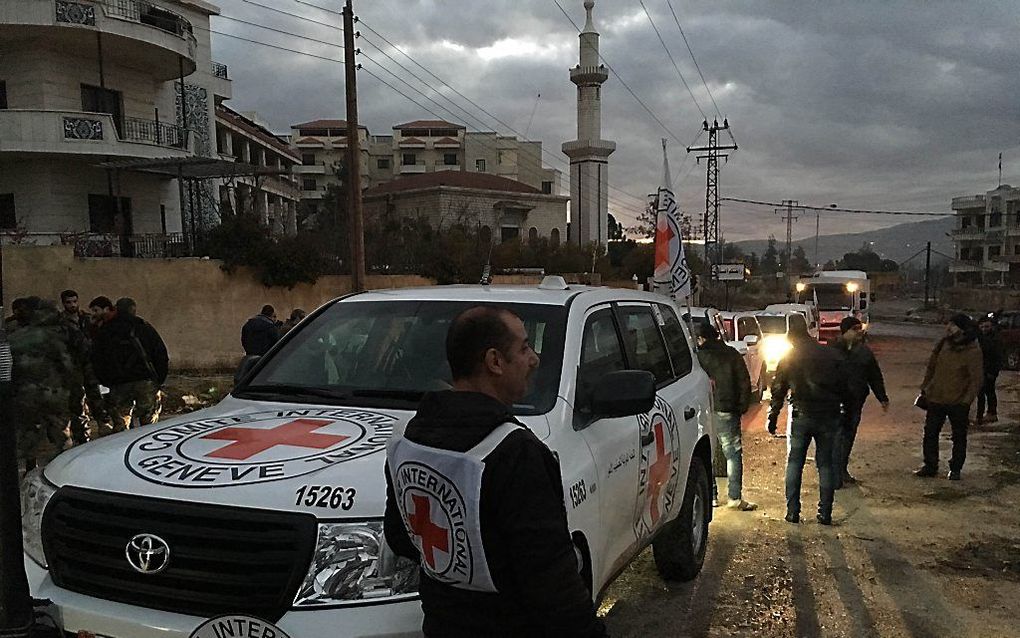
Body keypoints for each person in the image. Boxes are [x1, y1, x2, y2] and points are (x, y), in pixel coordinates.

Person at [384, 306, 606, 638]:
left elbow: (400, 536)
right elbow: (552, 584)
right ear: (495, 362)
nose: (534, 359)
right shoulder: (515, 453)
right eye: (525, 348)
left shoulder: (407, 438)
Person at [767, 321, 848, 525]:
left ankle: (793, 511)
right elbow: (845, 386)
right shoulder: (829, 355)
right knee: (825, 464)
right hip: (828, 415)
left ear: (791, 337)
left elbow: (778, 389)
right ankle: (825, 513)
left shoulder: (789, 358)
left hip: (802, 415)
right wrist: (843, 410)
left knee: (795, 462)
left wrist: (773, 415)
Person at [9, 298, 83, 471]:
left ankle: (29, 469)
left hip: (25, 395)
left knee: (28, 436)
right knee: (62, 436)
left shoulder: (15, 337)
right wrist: (76, 394)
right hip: (54, 394)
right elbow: (68, 367)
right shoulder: (57, 335)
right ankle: (63, 471)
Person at [695, 323, 757, 511]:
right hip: (727, 409)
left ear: (702, 339)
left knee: (709, 454)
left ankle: (712, 496)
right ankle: (734, 497)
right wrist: (742, 407)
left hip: (704, 410)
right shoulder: (731, 354)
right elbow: (744, 381)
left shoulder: (698, 357)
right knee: (732, 453)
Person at [915, 314, 983, 481]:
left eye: (952, 325)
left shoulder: (972, 350)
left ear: (961, 328)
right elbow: (932, 366)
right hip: (936, 398)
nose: (948, 328)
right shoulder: (944, 344)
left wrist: (966, 400)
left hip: (958, 402)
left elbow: (976, 378)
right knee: (930, 433)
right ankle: (930, 465)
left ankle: (956, 468)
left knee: (958, 436)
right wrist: (926, 387)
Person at [92, 297, 169, 432]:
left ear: (116, 309)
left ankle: (122, 449)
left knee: (121, 423)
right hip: (145, 381)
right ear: (133, 309)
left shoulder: (106, 329)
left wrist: (106, 381)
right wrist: (159, 379)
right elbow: (160, 353)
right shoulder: (143, 326)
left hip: (118, 383)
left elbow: (97, 358)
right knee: (149, 424)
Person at [830, 316, 889, 488]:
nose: (858, 332)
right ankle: (834, 474)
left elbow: (874, 375)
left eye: (859, 329)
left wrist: (882, 397)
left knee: (848, 436)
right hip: (834, 401)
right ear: (845, 331)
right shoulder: (832, 349)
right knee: (836, 438)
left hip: (855, 402)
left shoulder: (864, 352)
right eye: (854, 329)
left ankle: (842, 469)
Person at [975, 315, 1003, 425]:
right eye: (982, 327)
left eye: (986, 327)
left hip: (989, 370)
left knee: (987, 392)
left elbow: (996, 355)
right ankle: (982, 415)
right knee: (983, 392)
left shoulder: (994, 338)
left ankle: (989, 414)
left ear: (991, 327)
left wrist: (993, 371)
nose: (984, 329)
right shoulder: (982, 337)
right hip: (982, 369)